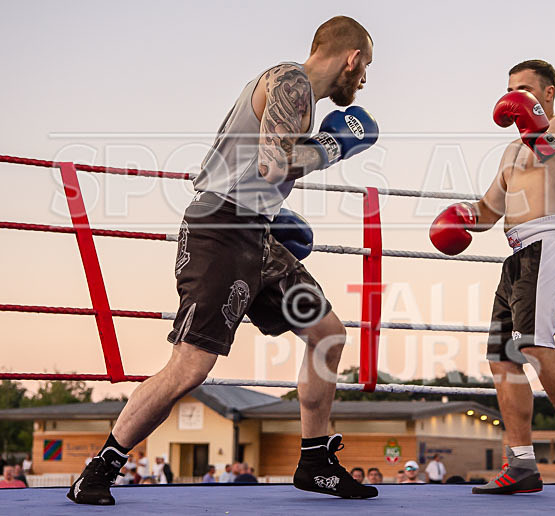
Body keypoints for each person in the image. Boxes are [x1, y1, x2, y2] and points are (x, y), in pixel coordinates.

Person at [67, 15, 378, 506]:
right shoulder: (291, 81)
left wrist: (277, 210)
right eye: (366, 69)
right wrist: (333, 146)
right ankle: (99, 468)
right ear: (352, 58)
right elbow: (274, 162)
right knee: (190, 365)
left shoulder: (294, 94)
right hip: (221, 228)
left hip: (256, 231)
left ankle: (314, 460)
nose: (363, 82)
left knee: (327, 334)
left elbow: (258, 171)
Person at [430, 59, 555, 495]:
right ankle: (522, 463)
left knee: (533, 344)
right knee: (502, 358)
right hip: (517, 255)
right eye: (511, 91)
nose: (515, 100)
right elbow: (489, 211)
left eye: (525, 91)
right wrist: (460, 218)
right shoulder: (510, 152)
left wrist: (536, 132)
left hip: (551, 243)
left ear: (547, 94)